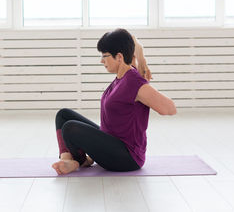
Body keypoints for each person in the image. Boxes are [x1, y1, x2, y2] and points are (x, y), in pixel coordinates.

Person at [52, 28, 176, 175]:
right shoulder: (124, 74)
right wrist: (142, 59)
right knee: (64, 115)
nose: (101, 60)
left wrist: (147, 90)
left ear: (119, 57)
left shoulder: (135, 83)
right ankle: (67, 159)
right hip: (110, 141)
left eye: (105, 56)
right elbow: (132, 41)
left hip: (127, 157)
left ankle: (81, 161)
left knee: (70, 128)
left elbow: (170, 108)